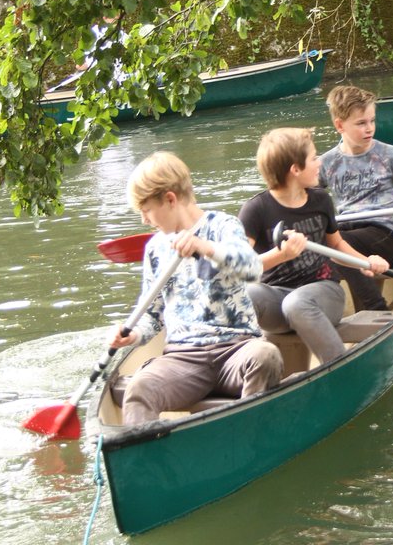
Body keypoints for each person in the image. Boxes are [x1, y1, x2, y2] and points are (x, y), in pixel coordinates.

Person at [108, 151, 283, 426]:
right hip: (183, 359)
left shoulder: (223, 226)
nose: (144, 220)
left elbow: (252, 268)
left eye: (146, 210)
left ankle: (247, 435)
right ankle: (148, 461)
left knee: (266, 355)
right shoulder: (155, 247)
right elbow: (152, 314)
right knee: (139, 388)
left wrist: (205, 248)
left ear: (169, 199)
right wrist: (133, 335)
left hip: (235, 350)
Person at [239, 127, 389, 364]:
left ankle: (340, 370)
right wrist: (281, 255)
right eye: (313, 158)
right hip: (276, 300)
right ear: (295, 170)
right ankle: (238, 367)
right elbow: (240, 267)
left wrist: (366, 262)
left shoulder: (320, 199)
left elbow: (336, 245)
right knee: (245, 293)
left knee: (297, 303)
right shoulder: (255, 210)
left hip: (324, 292)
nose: (320, 163)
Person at [319, 85, 393, 312]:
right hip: (348, 232)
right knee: (320, 243)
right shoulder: (326, 163)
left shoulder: (390, 155)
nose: (369, 128)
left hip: (383, 234)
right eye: (361, 123)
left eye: (372, 121)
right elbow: (302, 199)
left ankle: (375, 309)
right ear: (339, 125)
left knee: (333, 245)